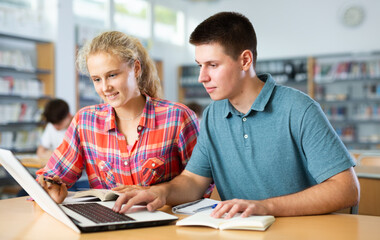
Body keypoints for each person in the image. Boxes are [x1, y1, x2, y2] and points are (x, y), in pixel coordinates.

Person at [113, 12, 360, 218]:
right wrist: (161, 192)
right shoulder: (212, 115)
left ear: (245, 60)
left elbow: (346, 190)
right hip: (243, 231)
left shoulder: (299, 109)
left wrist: (265, 207)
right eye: (200, 65)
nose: (202, 77)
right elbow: (193, 181)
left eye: (213, 65)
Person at [36, 31, 199, 203]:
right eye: (97, 79)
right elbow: (52, 175)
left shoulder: (177, 117)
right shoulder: (85, 121)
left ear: (136, 68)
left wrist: (159, 192)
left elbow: (202, 183)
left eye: (112, 75)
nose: (105, 87)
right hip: (106, 224)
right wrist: (50, 189)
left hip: (163, 224)